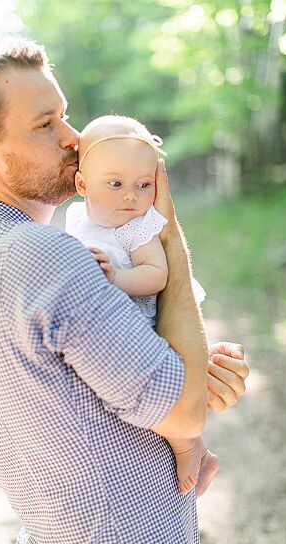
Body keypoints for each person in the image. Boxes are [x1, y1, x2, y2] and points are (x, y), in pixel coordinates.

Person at [0, 39, 249, 544]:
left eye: (65, 116)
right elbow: (183, 408)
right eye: (44, 125)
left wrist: (193, 366)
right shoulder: (44, 255)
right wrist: (165, 229)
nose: (72, 137)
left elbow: (98, 389)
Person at [65, 114, 216, 495]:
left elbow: (156, 274)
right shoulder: (77, 219)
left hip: (145, 323)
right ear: (82, 184)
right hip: (107, 326)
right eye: (115, 184)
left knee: (165, 405)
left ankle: (189, 447)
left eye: (143, 184)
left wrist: (118, 278)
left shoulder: (137, 226)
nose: (130, 196)